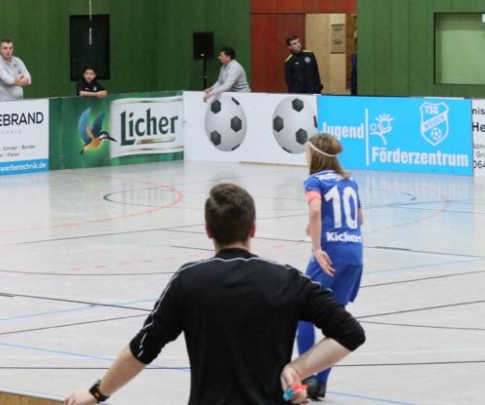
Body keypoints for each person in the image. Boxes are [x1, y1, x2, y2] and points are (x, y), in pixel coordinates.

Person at [63, 183, 365, 405]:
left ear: (208, 230)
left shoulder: (188, 281)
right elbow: (350, 332)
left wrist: (96, 393)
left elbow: (142, 348)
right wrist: (297, 369)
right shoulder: (287, 279)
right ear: (253, 229)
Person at [296, 133, 364, 401]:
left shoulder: (314, 181)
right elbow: (359, 218)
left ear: (315, 155)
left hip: (330, 254)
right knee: (335, 320)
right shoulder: (350, 181)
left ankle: (304, 377)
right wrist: (320, 225)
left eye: (306, 152)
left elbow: (315, 210)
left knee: (302, 311)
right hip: (355, 254)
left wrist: (316, 247)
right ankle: (320, 384)